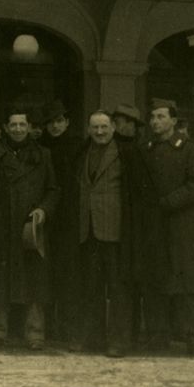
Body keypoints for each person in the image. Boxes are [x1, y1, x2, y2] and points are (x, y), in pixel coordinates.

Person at [0, 108, 58, 351]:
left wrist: (43, 211)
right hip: (2, 227)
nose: (17, 129)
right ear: (6, 127)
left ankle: (35, 332)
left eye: (21, 125)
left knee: (35, 281)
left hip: (30, 227)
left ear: (28, 127)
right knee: (0, 280)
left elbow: (53, 189)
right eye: (12, 125)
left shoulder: (43, 155)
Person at [142, 99, 194, 357]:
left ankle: (192, 336)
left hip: (183, 225)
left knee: (188, 281)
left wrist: (170, 202)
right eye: (152, 117)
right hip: (154, 225)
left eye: (161, 117)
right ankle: (158, 335)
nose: (155, 122)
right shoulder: (147, 148)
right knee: (156, 277)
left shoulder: (189, 148)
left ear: (173, 120)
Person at [73, 111, 142, 358]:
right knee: (90, 287)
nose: (99, 132)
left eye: (104, 127)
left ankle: (119, 342)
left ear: (113, 127)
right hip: (88, 229)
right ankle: (92, 338)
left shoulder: (126, 153)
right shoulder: (83, 152)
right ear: (89, 129)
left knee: (118, 289)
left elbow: (137, 194)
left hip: (116, 231)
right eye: (95, 127)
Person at [40, 99, 81, 345]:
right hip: (47, 217)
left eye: (58, 121)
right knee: (46, 274)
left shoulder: (77, 147)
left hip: (70, 217)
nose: (54, 126)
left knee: (69, 275)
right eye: (50, 123)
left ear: (67, 122)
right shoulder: (41, 148)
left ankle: (68, 329)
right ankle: (49, 329)